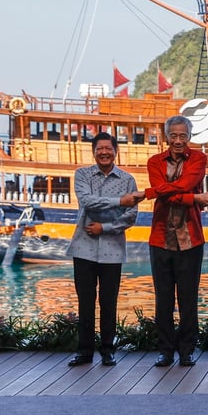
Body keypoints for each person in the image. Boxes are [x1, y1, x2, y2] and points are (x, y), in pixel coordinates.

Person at [66, 132, 140, 367]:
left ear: (116, 151)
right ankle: (84, 351)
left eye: (108, 148)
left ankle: (108, 350)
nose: (104, 152)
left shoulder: (128, 179)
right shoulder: (82, 174)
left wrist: (105, 227)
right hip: (83, 248)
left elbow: (131, 216)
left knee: (109, 302)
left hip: (113, 249)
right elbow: (87, 202)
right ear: (94, 152)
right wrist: (120, 202)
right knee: (85, 302)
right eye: (100, 149)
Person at [145, 115, 208, 368]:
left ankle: (187, 350)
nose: (179, 140)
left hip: (190, 238)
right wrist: (193, 199)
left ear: (189, 137)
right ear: (167, 137)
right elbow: (175, 195)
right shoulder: (154, 161)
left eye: (183, 135)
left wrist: (150, 193)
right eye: (174, 135)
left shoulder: (199, 159)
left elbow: (187, 183)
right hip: (160, 238)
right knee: (163, 298)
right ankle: (165, 350)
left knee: (188, 297)